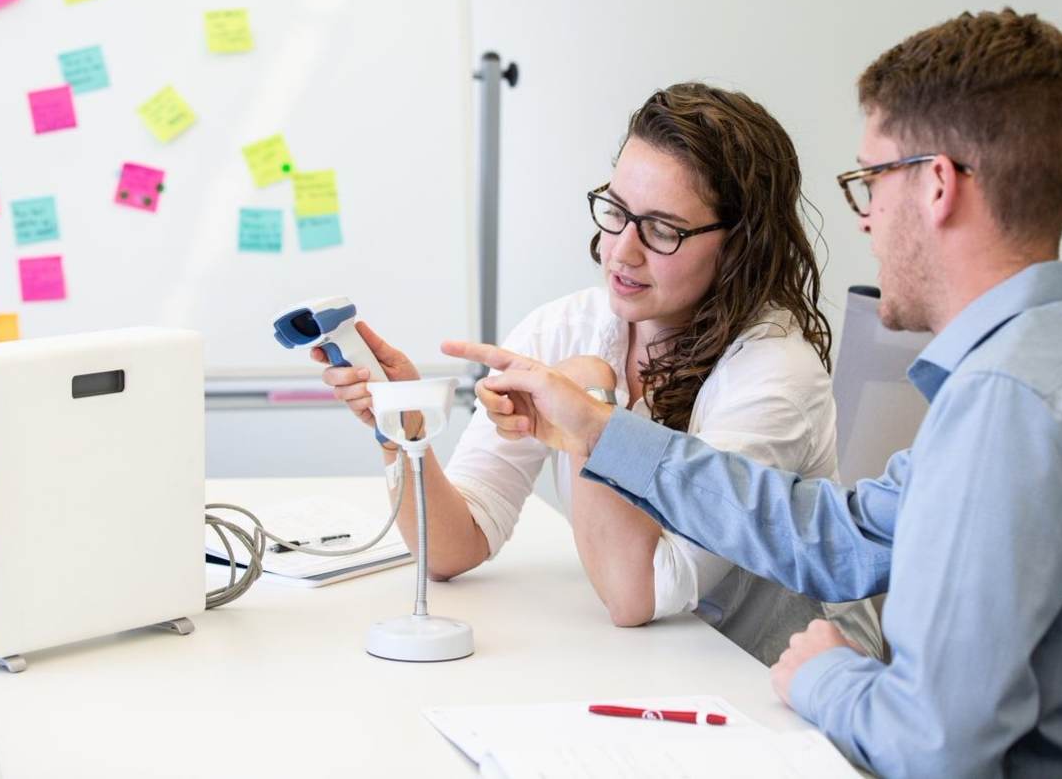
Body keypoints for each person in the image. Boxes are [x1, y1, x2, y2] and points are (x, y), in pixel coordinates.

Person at [447, 9, 1062, 778]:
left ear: (938, 186)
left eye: (870, 182)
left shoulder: (1008, 406)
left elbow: (934, 745)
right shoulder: (1043, 366)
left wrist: (828, 673)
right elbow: (841, 536)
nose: (867, 220)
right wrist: (599, 430)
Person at [315, 82, 881, 665]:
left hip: (782, 683)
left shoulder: (773, 373)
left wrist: (590, 407)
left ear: (739, 245)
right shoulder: (565, 326)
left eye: (662, 229)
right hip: (661, 668)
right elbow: (453, 547)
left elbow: (637, 593)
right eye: (616, 212)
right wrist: (402, 430)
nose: (621, 252)